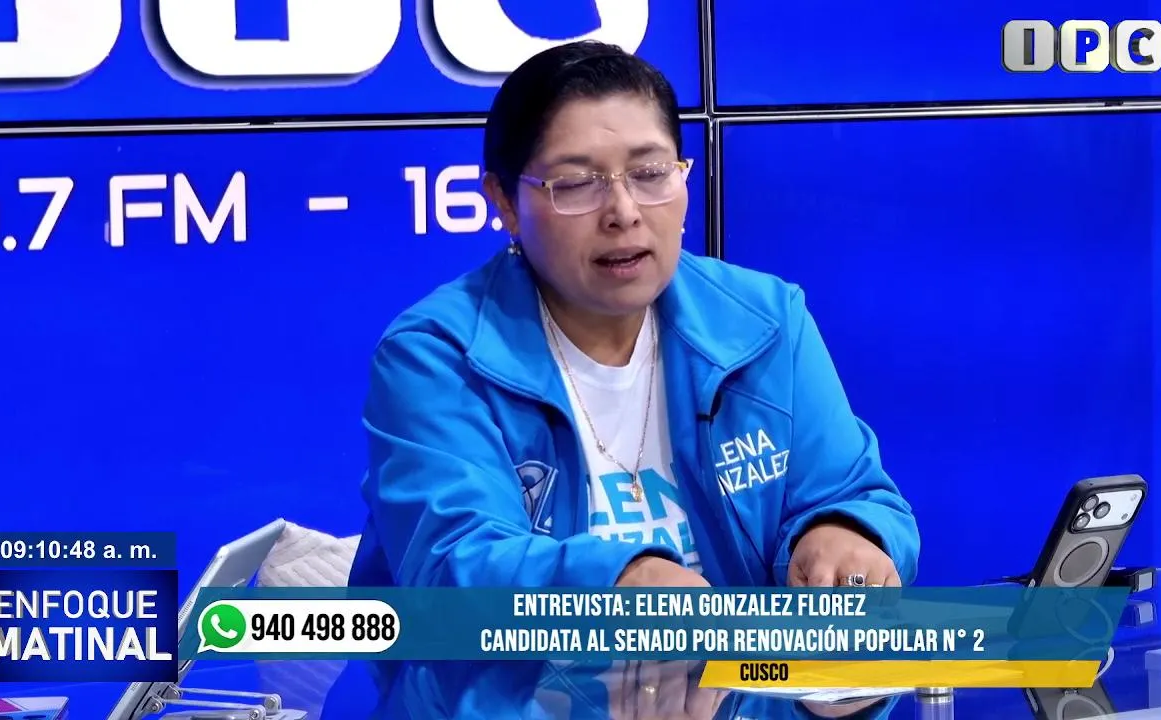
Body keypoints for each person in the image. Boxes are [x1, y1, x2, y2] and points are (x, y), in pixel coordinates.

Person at [345, 39, 919, 713]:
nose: (623, 211)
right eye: (576, 184)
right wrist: (622, 582)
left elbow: (852, 492)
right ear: (504, 201)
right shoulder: (436, 354)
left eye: (650, 173)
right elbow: (454, 569)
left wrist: (847, 536)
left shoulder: (765, 321)